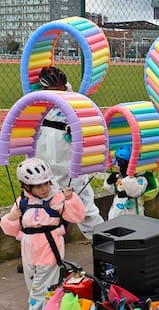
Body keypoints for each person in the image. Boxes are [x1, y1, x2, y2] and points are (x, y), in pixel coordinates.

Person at [0, 158, 85, 310]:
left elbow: (77, 216)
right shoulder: (22, 202)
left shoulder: (57, 198)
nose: (45, 189)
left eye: (46, 183)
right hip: (29, 250)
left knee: (39, 291)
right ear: (27, 187)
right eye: (38, 186)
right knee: (37, 290)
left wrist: (71, 199)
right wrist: (10, 219)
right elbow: (10, 228)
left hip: (49, 248)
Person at [34, 66, 104, 239]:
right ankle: (47, 248)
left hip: (71, 168)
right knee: (43, 210)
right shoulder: (36, 103)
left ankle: (103, 245)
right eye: (52, 90)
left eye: (60, 89)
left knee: (86, 210)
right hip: (45, 168)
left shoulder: (76, 102)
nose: (57, 94)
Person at [103, 145, 159, 219]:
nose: (116, 165)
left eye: (119, 163)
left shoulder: (141, 179)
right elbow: (113, 190)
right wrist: (109, 182)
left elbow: (134, 191)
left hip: (134, 216)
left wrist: (125, 176)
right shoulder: (120, 176)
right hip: (117, 213)